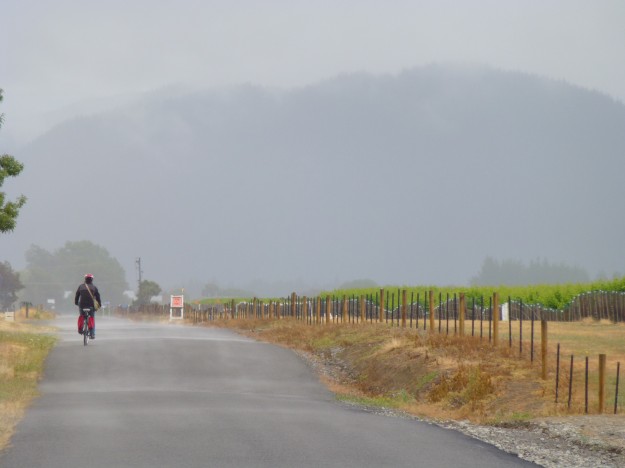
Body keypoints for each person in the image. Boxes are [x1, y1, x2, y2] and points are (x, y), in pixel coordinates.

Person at [75, 273, 101, 339]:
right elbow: (98, 297)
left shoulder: (80, 286)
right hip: (91, 305)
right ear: (92, 279)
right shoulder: (94, 287)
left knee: (82, 316)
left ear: (85, 279)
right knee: (92, 317)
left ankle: (80, 329)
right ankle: (92, 334)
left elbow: (77, 296)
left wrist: (76, 303)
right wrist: (99, 304)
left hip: (82, 305)